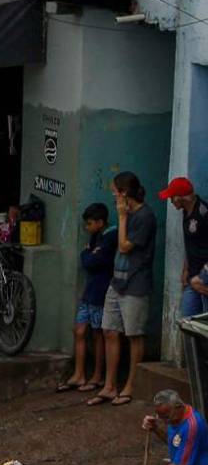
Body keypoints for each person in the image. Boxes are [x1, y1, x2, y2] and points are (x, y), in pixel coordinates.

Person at [93, 170, 156, 406]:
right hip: (117, 282)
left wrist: (121, 218)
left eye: (115, 193)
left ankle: (130, 384)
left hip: (136, 284)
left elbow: (125, 246)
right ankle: (109, 385)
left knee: (134, 336)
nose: (113, 197)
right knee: (110, 330)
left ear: (124, 193)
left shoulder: (144, 217)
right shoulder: (129, 214)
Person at [59, 202, 117, 393]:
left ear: (100, 222)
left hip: (100, 291)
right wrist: (88, 254)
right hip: (90, 291)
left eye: (90, 223)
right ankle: (79, 374)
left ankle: (97, 375)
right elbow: (89, 259)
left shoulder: (109, 237)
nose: (87, 227)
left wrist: (87, 253)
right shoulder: (97, 237)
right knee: (80, 330)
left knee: (98, 333)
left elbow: (93, 261)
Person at [160, 176, 208, 319]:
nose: (171, 201)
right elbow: (191, 243)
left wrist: (204, 274)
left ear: (179, 197)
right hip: (193, 277)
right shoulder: (185, 213)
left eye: (171, 197)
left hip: (203, 277)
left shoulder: (203, 213)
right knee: (187, 322)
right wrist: (186, 269)